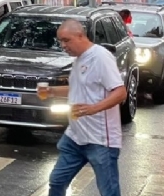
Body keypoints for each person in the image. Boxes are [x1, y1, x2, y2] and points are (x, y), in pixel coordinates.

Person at [38, 19, 126, 196]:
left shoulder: (100, 57)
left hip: (100, 140)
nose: (63, 45)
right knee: (57, 181)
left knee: (108, 191)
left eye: (66, 40)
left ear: (80, 36)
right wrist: (51, 91)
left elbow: (120, 92)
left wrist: (94, 108)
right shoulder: (79, 60)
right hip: (75, 137)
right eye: (60, 41)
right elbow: (79, 88)